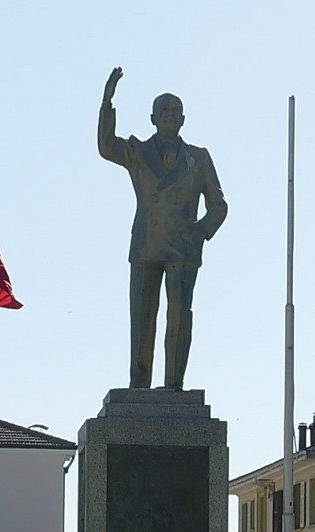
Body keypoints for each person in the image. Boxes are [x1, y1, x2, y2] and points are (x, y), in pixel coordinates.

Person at [98, 67, 228, 390]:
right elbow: (106, 146)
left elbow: (219, 205)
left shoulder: (199, 158)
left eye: (175, 111)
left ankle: (174, 384)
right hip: (146, 245)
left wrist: (200, 231)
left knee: (179, 318)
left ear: (183, 119)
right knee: (142, 319)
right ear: (153, 118)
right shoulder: (138, 152)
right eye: (164, 110)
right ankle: (139, 383)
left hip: (184, 248)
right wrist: (107, 102)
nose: (170, 114)